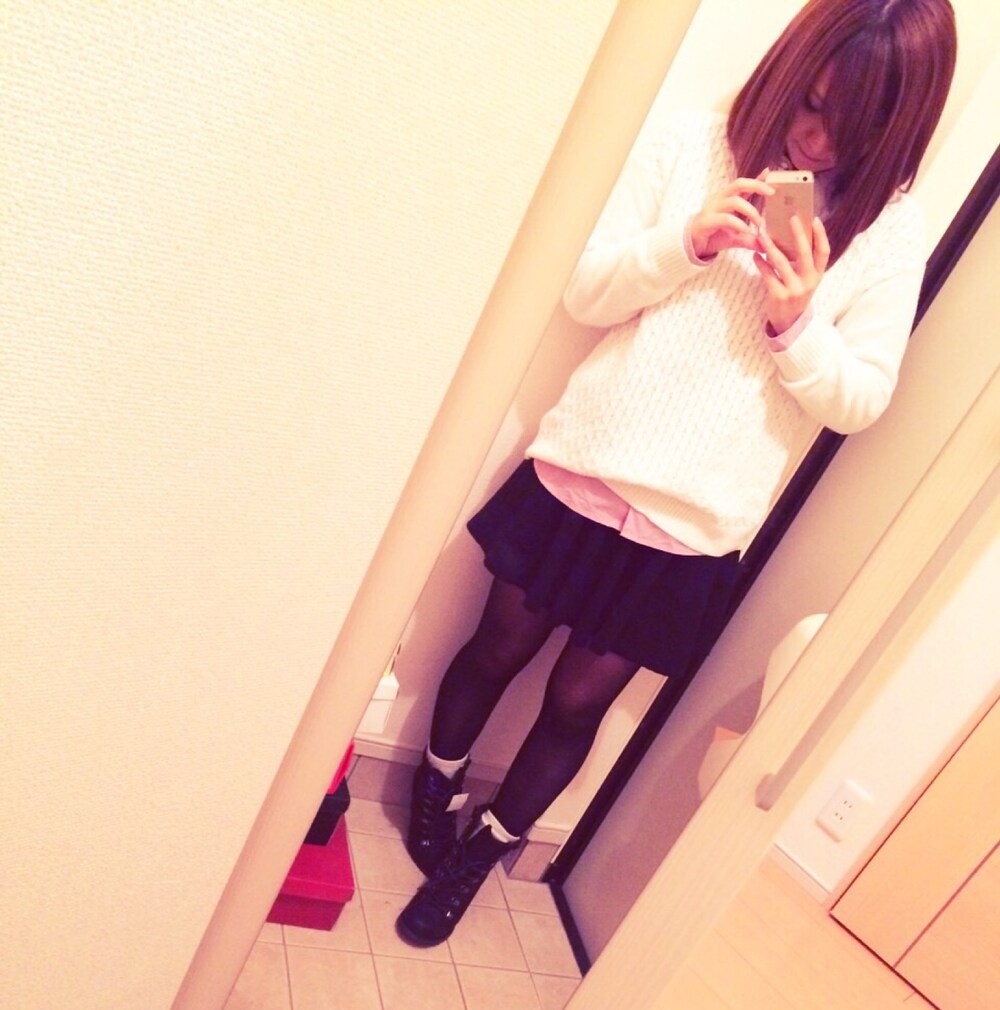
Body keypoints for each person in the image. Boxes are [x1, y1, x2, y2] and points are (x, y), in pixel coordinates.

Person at [396, 0, 957, 948]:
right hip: (587, 463)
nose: (815, 142)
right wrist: (686, 245)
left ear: (894, 128)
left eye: (851, 127)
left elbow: (859, 401)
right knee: (495, 648)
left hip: (692, 526)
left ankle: (479, 853)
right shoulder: (694, 144)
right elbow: (584, 290)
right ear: (792, 63)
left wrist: (797, 323)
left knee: (576, 705)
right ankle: (435, 785)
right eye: (812, 102)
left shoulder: (892, 234)